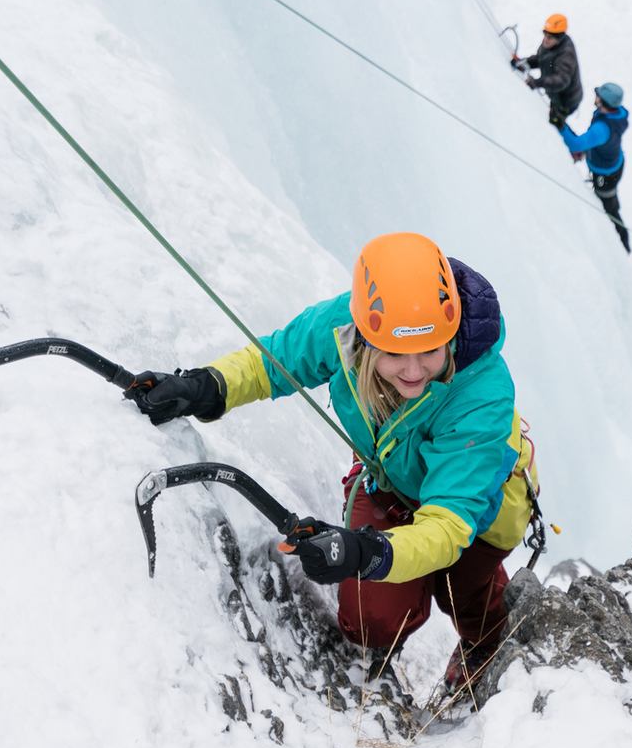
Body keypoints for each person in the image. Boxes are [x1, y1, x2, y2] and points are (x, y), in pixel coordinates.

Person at [123, 233, 538, 697]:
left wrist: (368, 552)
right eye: (395, 354)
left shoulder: (482, 392)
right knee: (368, 618)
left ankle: (483, 643)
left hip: (479, 509)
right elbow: (274, 362)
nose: (415, 369)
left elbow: (446, 526)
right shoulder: (346, 328)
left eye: (430, 350)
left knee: (465, 592)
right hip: (393, 483)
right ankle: (400, 620)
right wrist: (207, 386)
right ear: (367, 335)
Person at [557, 84, 631, 253]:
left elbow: (576, 144)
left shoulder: (602, 128)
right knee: (609, 203)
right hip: (613, 163)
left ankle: (623, 243)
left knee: (610, 208)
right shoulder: (618, 114)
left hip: (605, 176)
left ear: (604, 102)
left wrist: (560, 126)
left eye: (598, 95)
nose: (595, 97)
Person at [511, 13, 582, 126]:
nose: (545, 39)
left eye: (549, 37)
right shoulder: (549, 43)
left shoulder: (566, 54)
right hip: (555, 94)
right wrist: (525, 63)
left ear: (559, 38)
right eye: (545, 34)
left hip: (566, 101)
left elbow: (562, 80)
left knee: (554, 125)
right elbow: (542, 59)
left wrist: (538, 82)